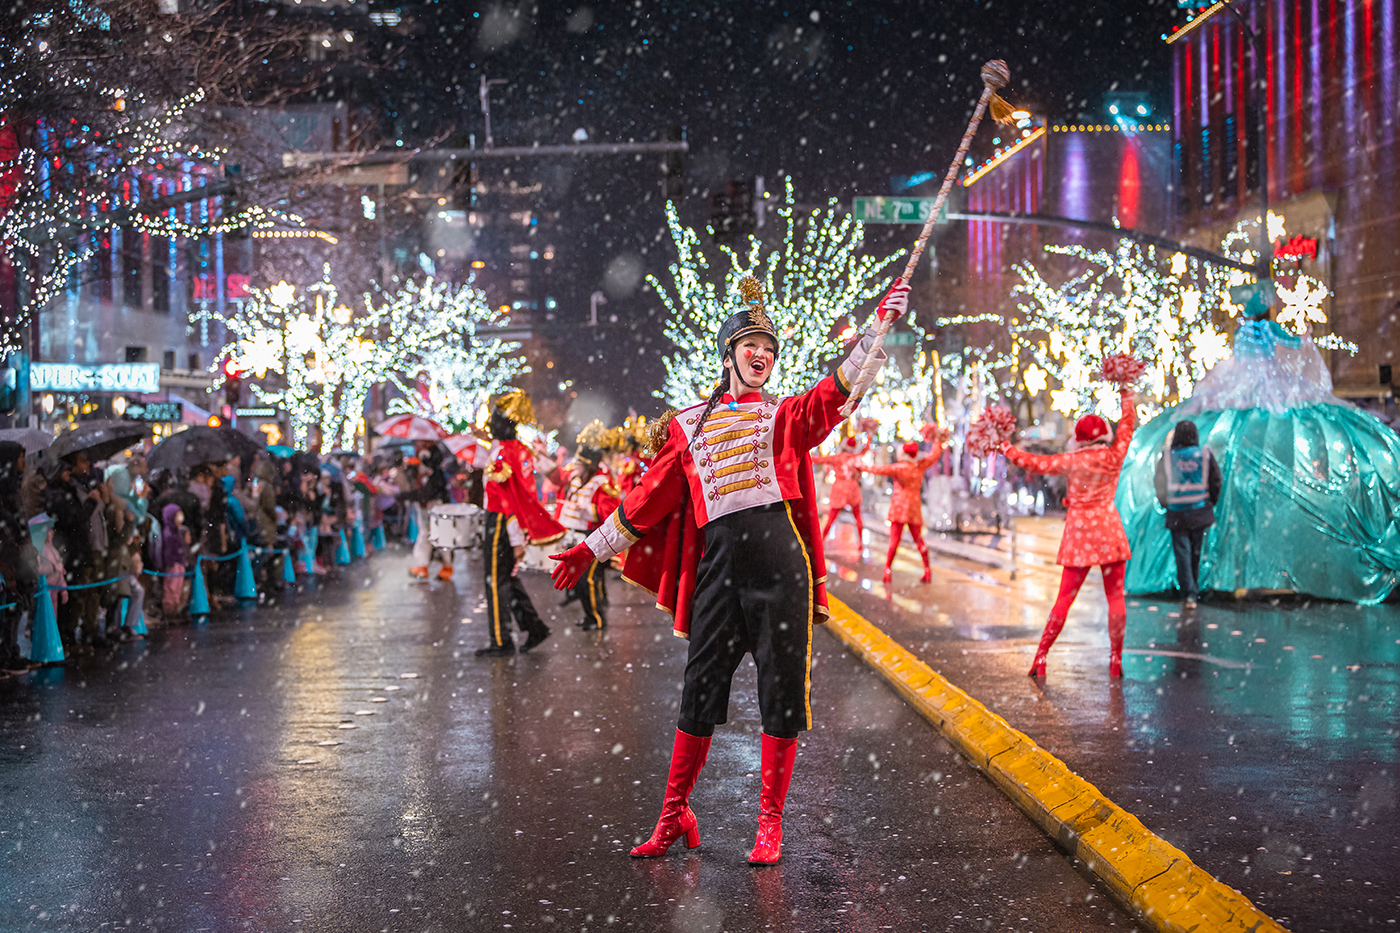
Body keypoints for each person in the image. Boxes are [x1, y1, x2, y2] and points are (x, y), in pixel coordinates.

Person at [550, 274, 902, 865]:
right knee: (699, 692)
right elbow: (648, 498)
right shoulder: (690, 425)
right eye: (749, 346)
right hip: (720, 574)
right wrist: (593, 547)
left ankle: (769, 822)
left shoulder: (787, 416)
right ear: (729, 356)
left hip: (781, 571)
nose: (761, 354)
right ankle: (673, 815)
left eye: (769, 348)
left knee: (780, 693)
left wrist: (876, 329)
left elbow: (833, 396)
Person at [1000, 384, 1137, 678]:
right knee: (1115, 596)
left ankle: (1041, 656)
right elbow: (1127, 425)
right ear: (1104, 436)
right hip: (1109, 530)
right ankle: (1115, 659)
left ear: (1080, 438)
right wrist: (1126, 395)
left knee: (1065, 598)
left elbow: (1036, 463)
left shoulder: (1072, 461)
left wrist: (1007, 448)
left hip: (1079, 536)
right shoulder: (1114, 456)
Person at [470, 389, 565, 656]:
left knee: (495, 581)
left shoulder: (504, 454)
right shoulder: (516, 450)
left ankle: (501, 640)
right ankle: (533, 627)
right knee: (505, 579)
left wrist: (515, 538)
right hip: (508, 521)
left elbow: (506, 498)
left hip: (500, 520)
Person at [553, 425, 621, 630]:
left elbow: (609, 513)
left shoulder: (602, 482)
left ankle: (597, 618)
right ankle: (591, 615)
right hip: (576, 536)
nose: (576, 467)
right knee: (583, 580)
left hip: (593, 536)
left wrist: (587, 510)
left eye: (581, 464)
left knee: (588, 580)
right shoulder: (578, 479)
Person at [1153, 420, 1221, 610]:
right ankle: (1194, 589)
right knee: (1195, 552)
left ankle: (1188, 594)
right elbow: (1215, 480)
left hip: (1177, 513)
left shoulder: (1168, 458)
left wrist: (1165, 503)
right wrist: (1210, 502)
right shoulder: (1205, 455)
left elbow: (1159, 482)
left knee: (1182, 553)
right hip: (1200, 511)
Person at [858, 439, 944, 584]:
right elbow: (934, 455)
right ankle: (927, 570)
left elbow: (878, 469)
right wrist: (937, 439)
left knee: (894, 541)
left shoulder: (899, 468)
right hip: (914, 506)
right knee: (919, 540)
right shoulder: (919, 466)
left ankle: (887, 570)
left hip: (899, 506)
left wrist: (861, 466)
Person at [813, 433, 870, 549]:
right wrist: (869, 436)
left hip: (839, 488)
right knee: (858, 517)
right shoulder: (855, 457)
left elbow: (818, 460)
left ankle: (821, 541)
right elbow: (865, 449)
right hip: (853, 488)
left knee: (831, 517)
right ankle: (861, 543)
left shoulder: (837, 457)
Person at [406, 446, 452, 580]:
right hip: (427, 507)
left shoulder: (435, 474)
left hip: (436, 507)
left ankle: (446, 566)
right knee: (426, 535)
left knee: (441, 536)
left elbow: (432, 491)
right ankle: (423, 566)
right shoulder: (425, 475)